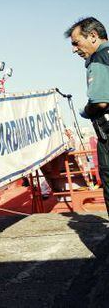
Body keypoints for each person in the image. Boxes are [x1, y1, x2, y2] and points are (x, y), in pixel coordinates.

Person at [65, 17, 109, 212]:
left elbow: (100, 101)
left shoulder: (99, 58)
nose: (74, 49)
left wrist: (85, 111)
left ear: (92, 36)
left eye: (76, 42)